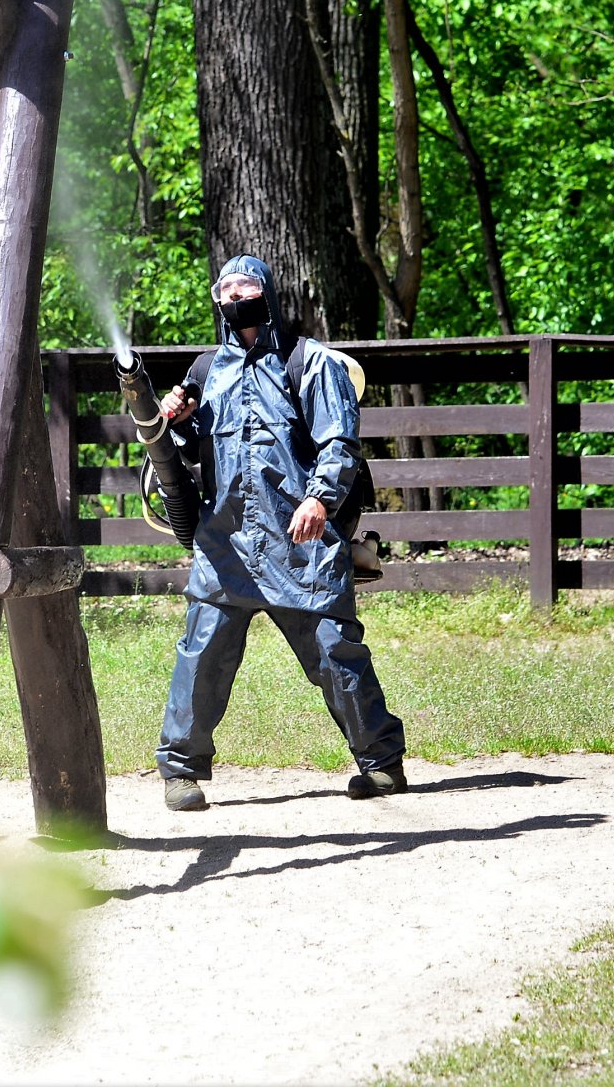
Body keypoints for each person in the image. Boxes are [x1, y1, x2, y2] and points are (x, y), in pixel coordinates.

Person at [155, 254, 406, 811]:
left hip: (300, 544)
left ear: (267, 291)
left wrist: (319, 497)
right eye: (226, 288)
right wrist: (172, 418)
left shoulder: (310, 362)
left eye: (246, 285)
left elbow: (340, 443)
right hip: (226, 545)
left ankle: (381, 762)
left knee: (335, 652)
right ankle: (180, 771)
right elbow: (188, 449)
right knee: (201, 656)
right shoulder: (205, 371)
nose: (236, 295)